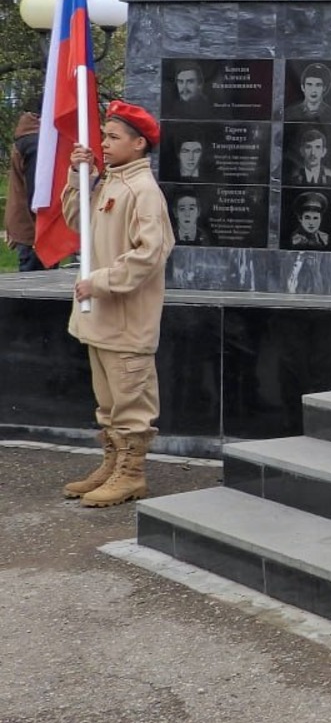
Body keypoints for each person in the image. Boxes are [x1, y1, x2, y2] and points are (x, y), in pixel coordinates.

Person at [60, 100, 175, 508]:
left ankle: (131, 474)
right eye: (103, 136)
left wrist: (100, 282)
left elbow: (151, 253)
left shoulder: (143, 191)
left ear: (139, 143)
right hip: (101, 321)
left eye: (113, 137)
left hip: (126, 322)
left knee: (131, 404)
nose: (103, 144)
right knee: (109, 406)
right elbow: (78, 222)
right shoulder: (109, 181)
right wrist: (79, 176)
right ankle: (112, 464)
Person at [5, 106, 43, 271]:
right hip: (33, 229)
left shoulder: (26, 136)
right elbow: (36, 192)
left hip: (25, 224)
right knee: (37, 282)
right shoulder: (35, 143)